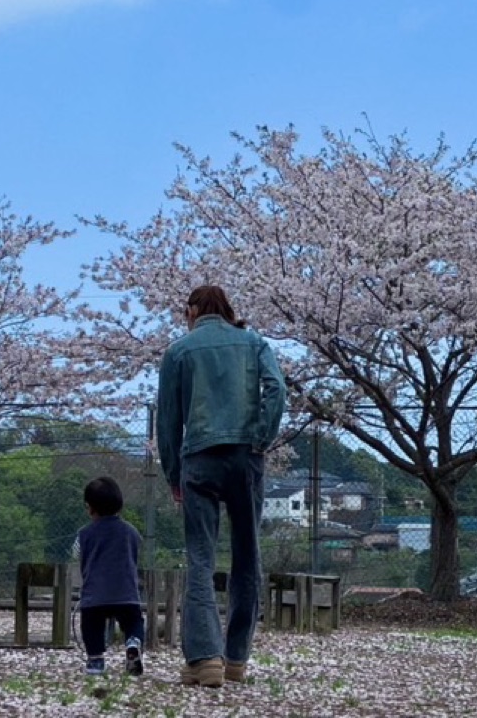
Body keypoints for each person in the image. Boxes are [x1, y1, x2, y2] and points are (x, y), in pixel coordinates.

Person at [157, 285, 286, 688]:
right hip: (245, 456)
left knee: (201, 558)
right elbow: (277, 389)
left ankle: (204, 657)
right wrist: (261, 438)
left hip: (199, 459)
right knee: (247, 555)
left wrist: (174, 475)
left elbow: (167, 422)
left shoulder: (179, 351)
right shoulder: (253, 343)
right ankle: (236, 659)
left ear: (193, 310)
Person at [76, 475, 145, 676]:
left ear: (89, 507)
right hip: (126, 592)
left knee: (91, 626)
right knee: (133, 622)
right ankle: (133, 642)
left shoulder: (85, 533)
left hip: (95, 594)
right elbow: (135, 553)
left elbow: (77, 554)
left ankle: (96, 660)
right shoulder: (131, 532)